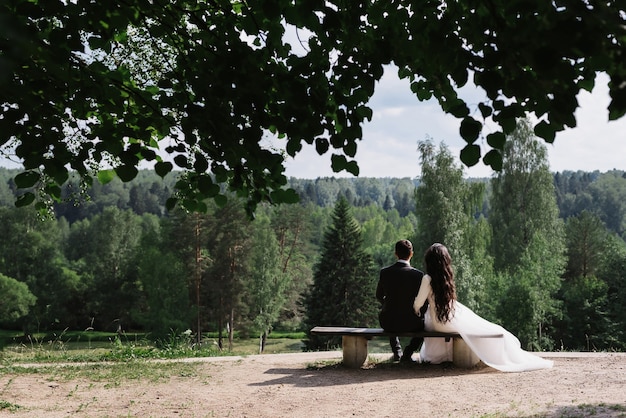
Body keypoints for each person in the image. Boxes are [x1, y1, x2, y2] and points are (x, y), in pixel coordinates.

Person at [413, 243, 554, 372]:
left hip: (439, 323)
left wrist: (415, 310)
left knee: (429, 323)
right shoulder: (446, 278)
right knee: (479, 325)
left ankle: (439, 355)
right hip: (449, 316)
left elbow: (418, 304)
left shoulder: (427, 279)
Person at [376, 239, 427, 362]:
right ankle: (407, 354)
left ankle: (397, 352)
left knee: (389, 314)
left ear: (395, 254)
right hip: (412, 322)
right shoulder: (418, 275)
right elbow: (424, 302)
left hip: (388, 321)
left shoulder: (385, 272)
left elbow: (378, 295)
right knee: (425, 327)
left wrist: (387, 304)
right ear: (411, 254)